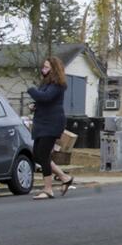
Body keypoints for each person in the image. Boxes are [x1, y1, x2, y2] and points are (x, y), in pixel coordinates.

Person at [25, 56, 76, 199]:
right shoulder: (46, 83)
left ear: (54, 69)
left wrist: (31, 90)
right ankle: (64, 177)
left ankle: (48, 189)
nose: (43, 70)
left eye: (47, 67)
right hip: (42, 122)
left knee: (43, 155)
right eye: (43, 67)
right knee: (37, 154)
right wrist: (35, 106)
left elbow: (45, 97)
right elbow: (45, 101)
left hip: (52, 123)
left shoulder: (58, 84)